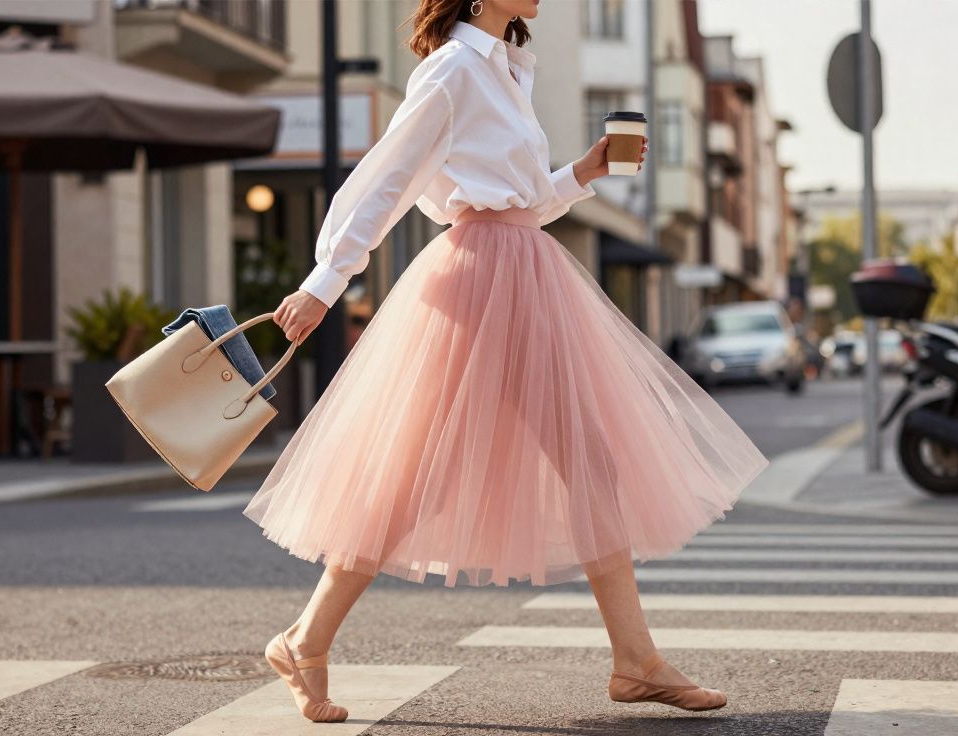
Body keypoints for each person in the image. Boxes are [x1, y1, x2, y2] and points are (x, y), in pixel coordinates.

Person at [257, 1, 769, 723]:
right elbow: (384, 184)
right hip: (476, 282)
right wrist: (323, 283)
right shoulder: (452, 70)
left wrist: (583, 172)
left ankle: (635, 661)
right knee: (408, 475)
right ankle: (304, 641)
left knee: (589, 461)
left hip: (523, 269)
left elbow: (521, 204)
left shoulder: (508, 69)